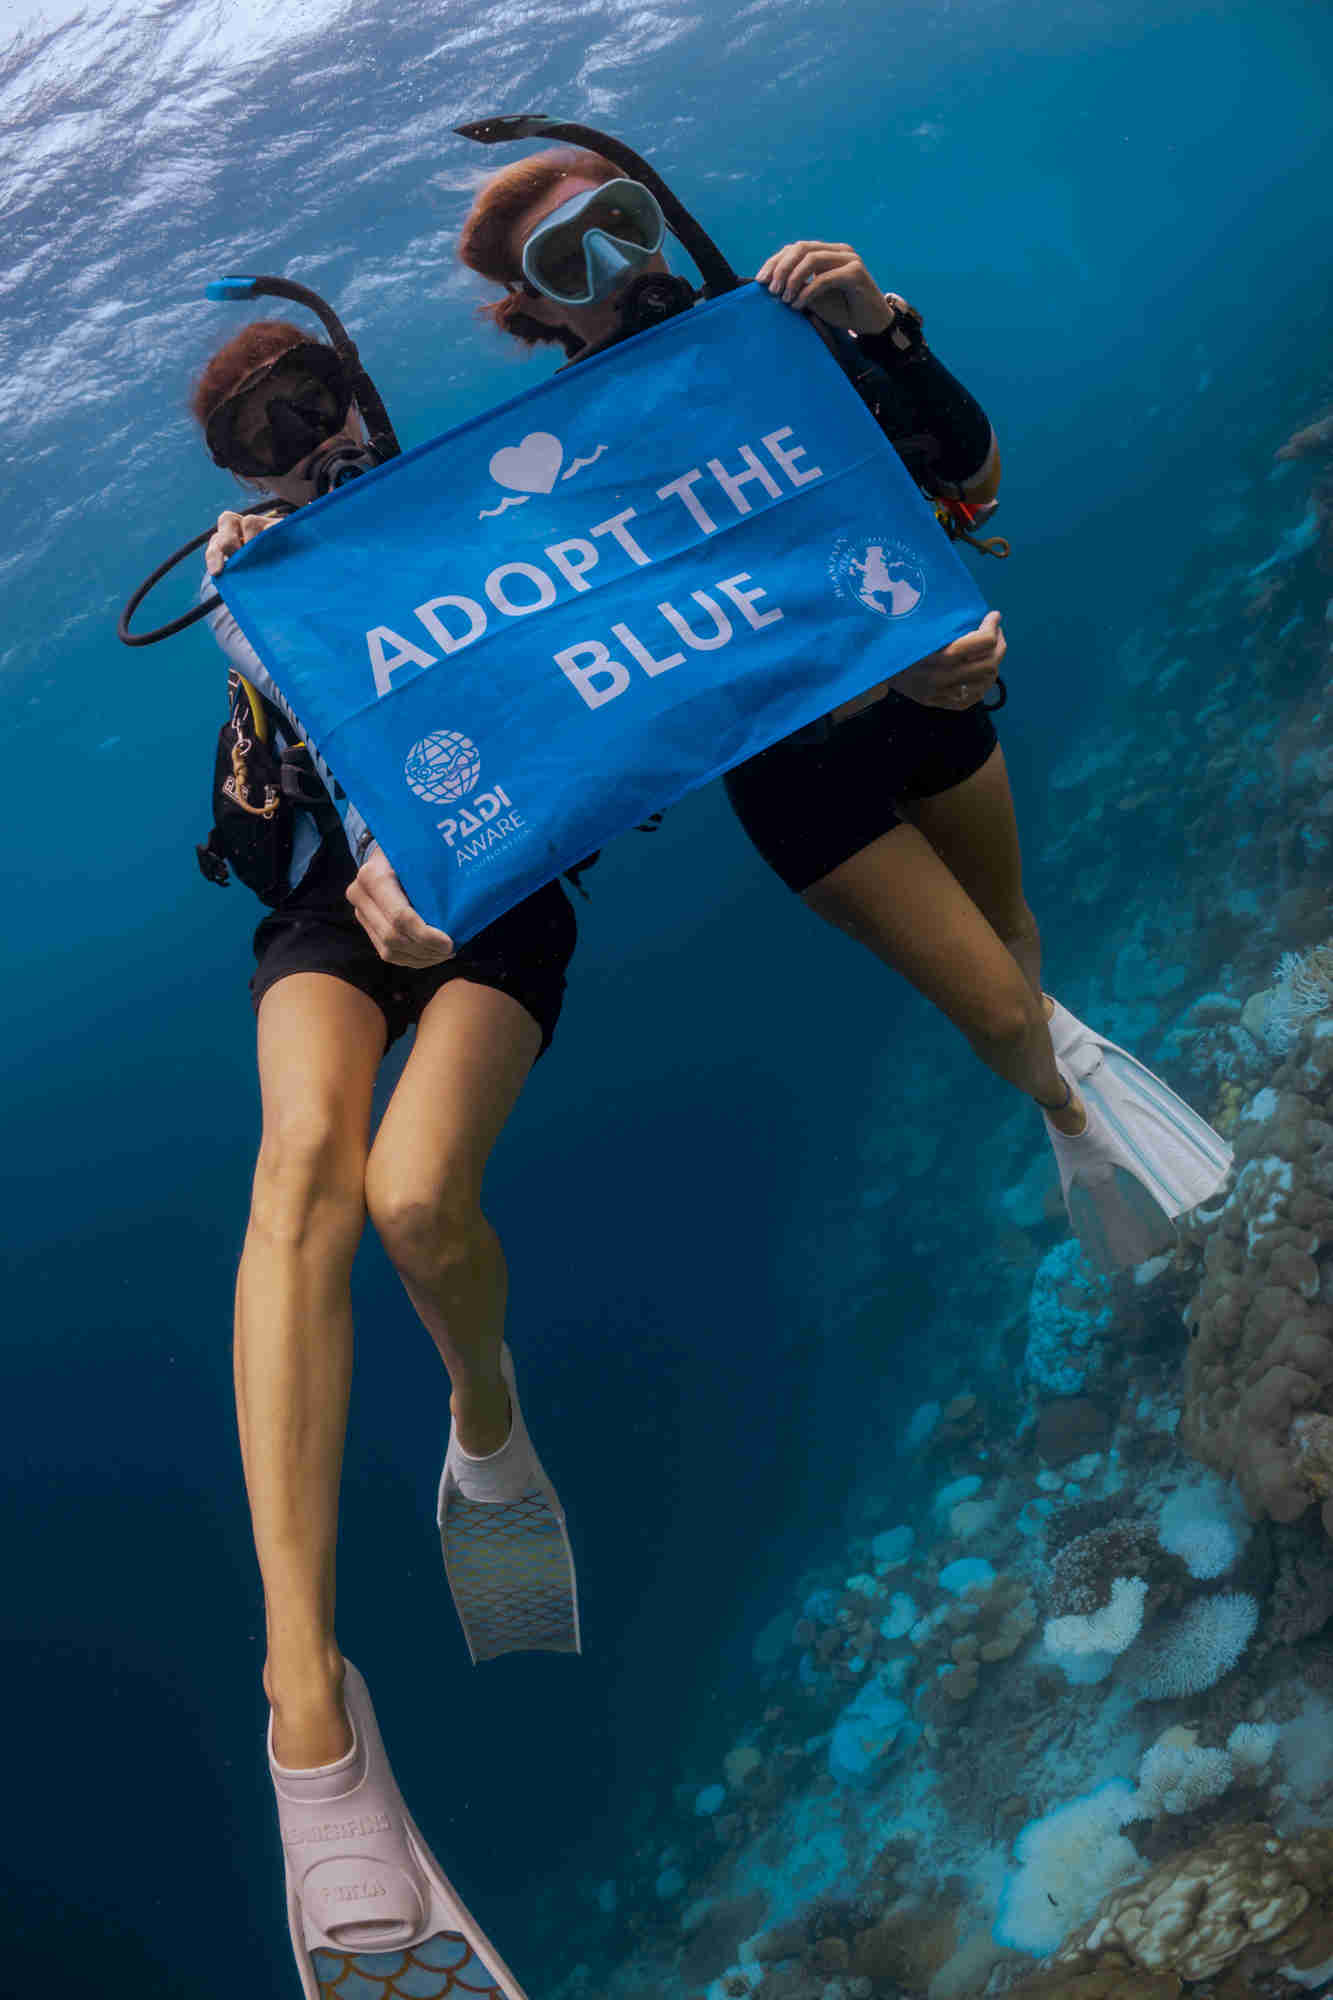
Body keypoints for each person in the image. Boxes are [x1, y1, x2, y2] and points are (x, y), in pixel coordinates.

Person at [454, 147, 1233, 1270]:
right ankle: (1076, 1113)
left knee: (1012, 928)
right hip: (797, 771)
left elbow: (975, 483)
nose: (623, 265)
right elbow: (657, 676)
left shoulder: (784, 332)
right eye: (572, 261)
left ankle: (1084, 1121)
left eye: (627, 222)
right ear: (529, 306)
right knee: (1008, 1014)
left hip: (938, 684)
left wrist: (887, 332)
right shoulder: (554, 473)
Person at [193, 320, 568, 1999]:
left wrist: (470, 849)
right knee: (301, 1177)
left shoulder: (473, 517)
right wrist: (255, 662)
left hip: (492, 893)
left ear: (366, 400)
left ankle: (485, 1434)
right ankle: (308, 1715)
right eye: (267, 443)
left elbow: (602, 714)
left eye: (319, 412)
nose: (309, 453)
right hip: (325, 926)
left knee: (417, 1205)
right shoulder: (257, 594)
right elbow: (259, 848)